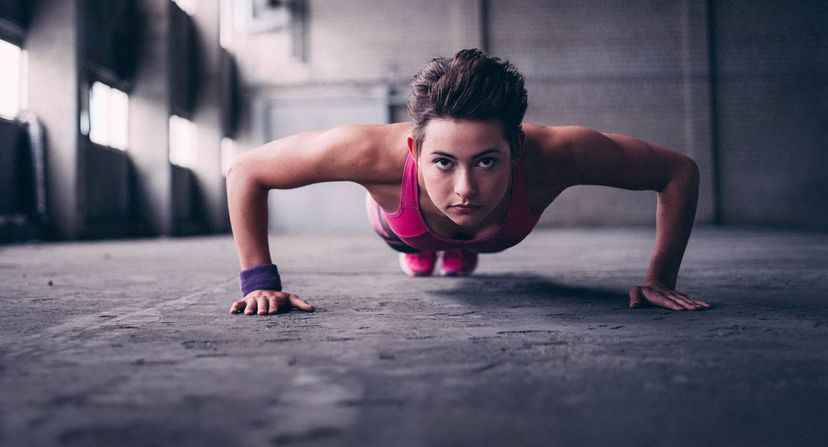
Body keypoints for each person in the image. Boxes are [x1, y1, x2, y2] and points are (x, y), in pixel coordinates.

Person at [227, 49, 711, 316]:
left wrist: (660, 278)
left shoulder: (558, 155)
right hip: (401, 223)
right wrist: (259, 283)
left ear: (516, 150)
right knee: (413, 238)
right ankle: (425, 247)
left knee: (460, 235)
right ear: (414, 152)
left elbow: (677, 172)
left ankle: (453, 247)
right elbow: (247, 170)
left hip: (496, 233)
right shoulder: (368, 151)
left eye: (485, 162)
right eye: (442, 162)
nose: (464, 188)